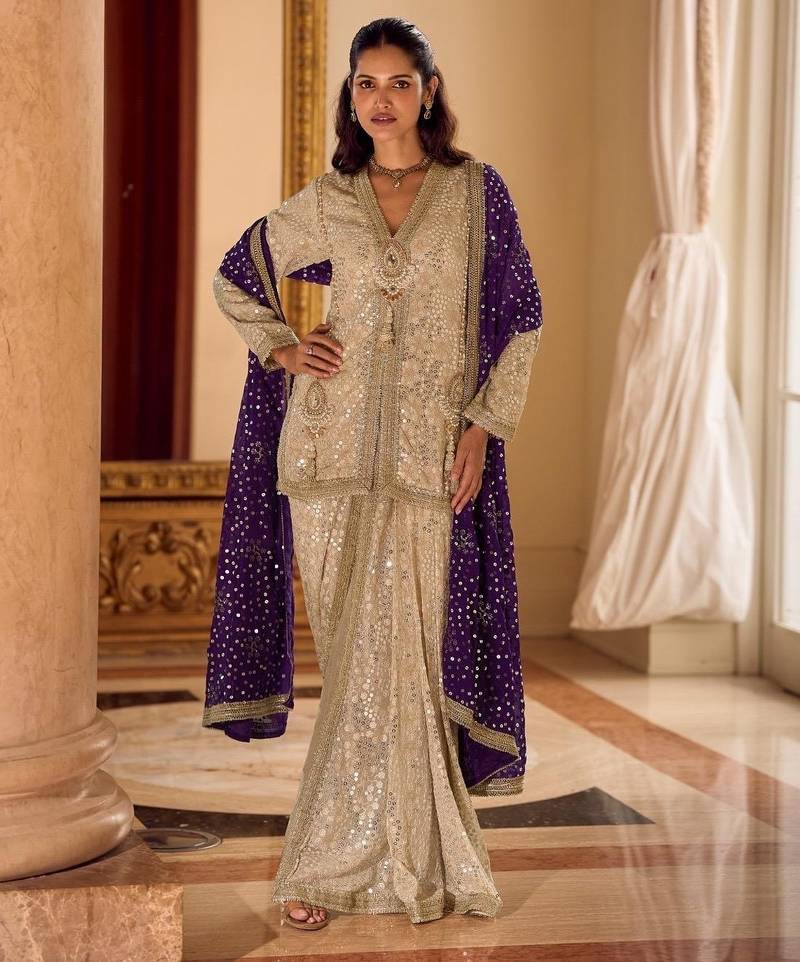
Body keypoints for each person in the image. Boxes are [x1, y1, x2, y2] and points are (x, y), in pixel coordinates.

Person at [202, 16, 543, 931]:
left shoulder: (476, 194)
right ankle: (351, 859)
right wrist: (283, 346)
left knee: (410, 669)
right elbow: (238, 274)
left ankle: (373, 862)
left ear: (428, 92)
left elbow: (522, 318)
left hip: (431, 461)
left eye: (398, 82)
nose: (381, 99)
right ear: (351, 96)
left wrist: (483, 427)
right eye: (365, 83)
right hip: (325, 458)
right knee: (354, 665)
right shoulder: (331, 197)